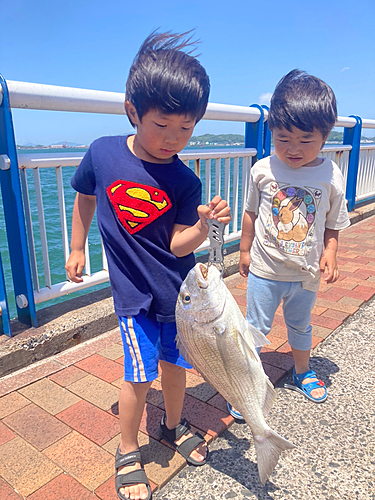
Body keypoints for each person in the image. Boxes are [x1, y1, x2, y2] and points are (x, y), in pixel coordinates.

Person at [65, 30, 231, 500]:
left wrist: (202, 229)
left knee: (176, 369)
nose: (172, 138)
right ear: (133, 111)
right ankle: (127, 448)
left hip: (178, 295)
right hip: (135, 296)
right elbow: (84, 196)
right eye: (161, 124)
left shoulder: (185, 179)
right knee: (138, 375)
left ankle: (172, 426)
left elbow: (180, 246)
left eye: (186, 128)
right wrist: (76, 247)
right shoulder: (102, 152)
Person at [228, 69, 350, 419]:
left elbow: (332, 223)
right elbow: (250, 213)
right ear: (270, 132)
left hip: (306, 273)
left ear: (325, 136)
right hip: (266, 271)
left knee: (300, 324)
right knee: (255, 328)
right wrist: (245, 250)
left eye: (305, 140)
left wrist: (330, 253)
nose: (293, 149)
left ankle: (302, 370)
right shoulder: (262, 170)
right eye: (283, 138)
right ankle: (249, 382)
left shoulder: (330, 175)